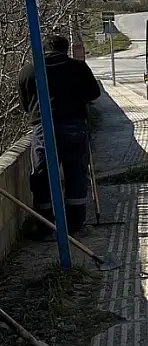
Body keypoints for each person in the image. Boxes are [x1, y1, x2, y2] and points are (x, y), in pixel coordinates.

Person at [18, 34, 101, 237]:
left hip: (42, 128)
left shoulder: (29, 70)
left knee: (42, 176)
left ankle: (46, 227)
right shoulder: (78, 68)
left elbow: (25, 104)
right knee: (76, 175)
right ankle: (75, 226)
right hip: (74, 125)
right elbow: (93, 94)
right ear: (65, 50)